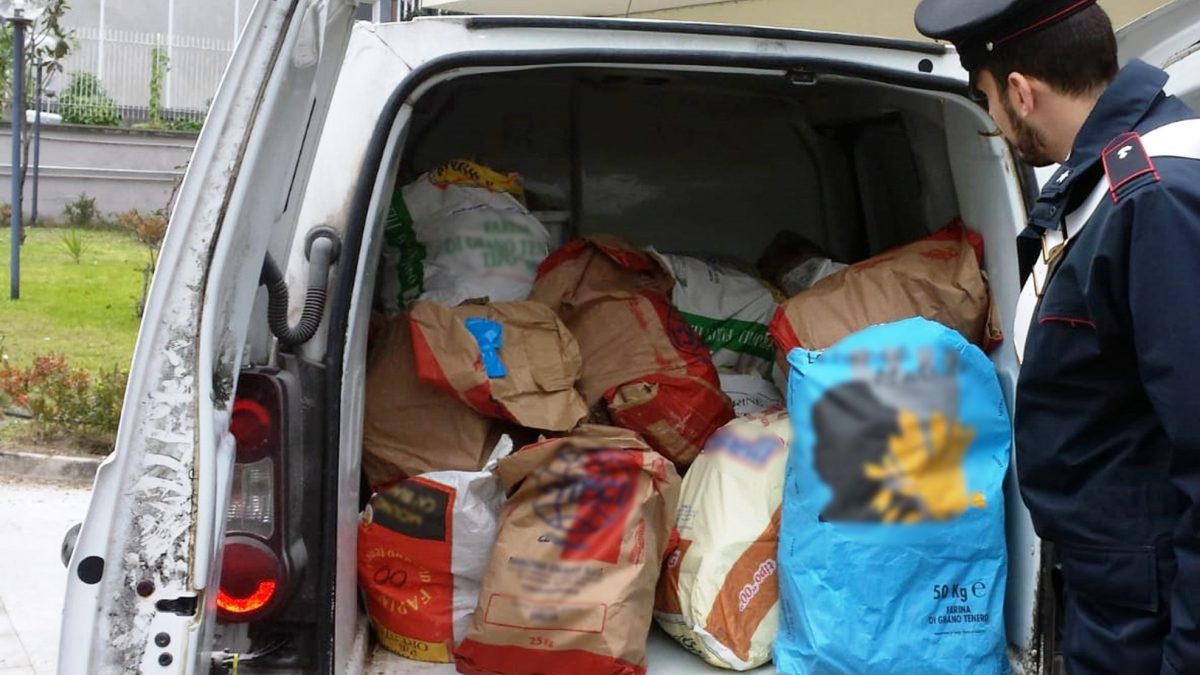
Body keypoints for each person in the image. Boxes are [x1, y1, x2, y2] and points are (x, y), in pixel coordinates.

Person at [913, 1, 1200, 673]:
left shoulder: (1153, 199)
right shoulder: (1107, 179)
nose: (993, 118)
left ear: (1020, 91)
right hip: (1117, 596)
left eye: (985, 98)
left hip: (1149, 625)